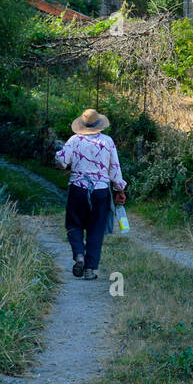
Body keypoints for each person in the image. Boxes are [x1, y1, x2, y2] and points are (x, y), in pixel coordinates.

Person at [54, 108, 127, 280]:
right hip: (100, 191)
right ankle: (90, 269)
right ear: (99, 125)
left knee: (74, 224)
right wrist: (119, 190)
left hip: (78, 189)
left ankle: (79, 255)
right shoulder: (107, 142)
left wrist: (59, 156)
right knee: (96, 229)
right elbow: (115, 169)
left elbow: (61, 161)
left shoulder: (74, 140)